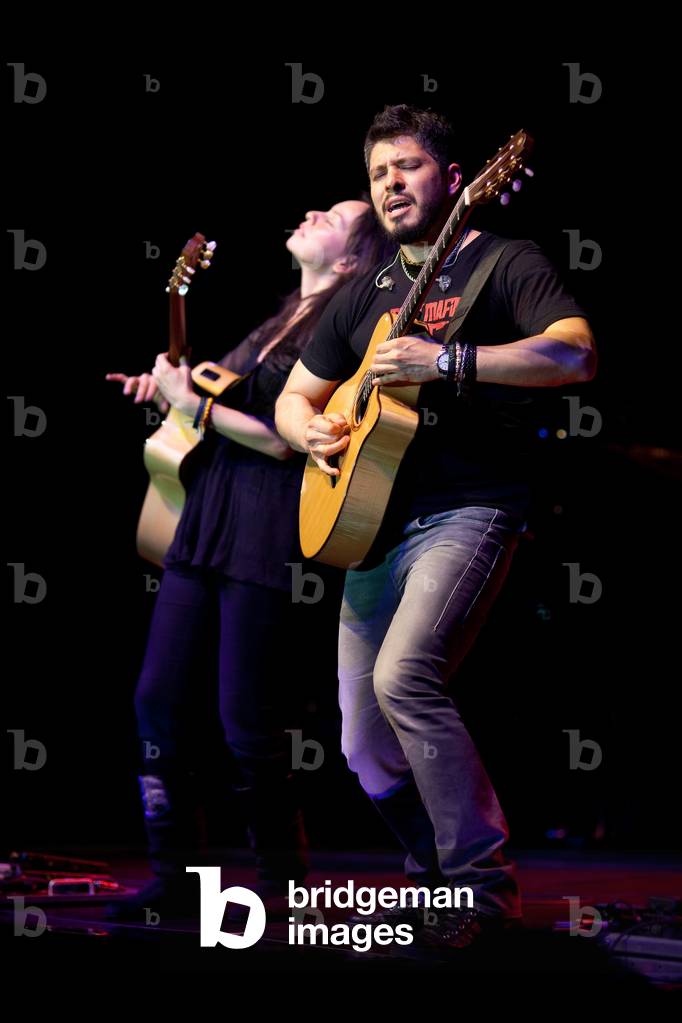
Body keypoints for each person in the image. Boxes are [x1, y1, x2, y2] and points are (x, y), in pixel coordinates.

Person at [275, 104, 597, 952]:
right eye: (378, 173)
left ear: (458, 180)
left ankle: (482, 890)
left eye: (408, 167)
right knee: (358, 740)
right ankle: (431, 872)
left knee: (405, 676)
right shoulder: (365, 292)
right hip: (370, 523)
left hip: (469, 507)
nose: (390, 184)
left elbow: (574, 353)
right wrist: (305, 427)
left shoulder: (503, 260)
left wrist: (448, 359)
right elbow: (293, 396)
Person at [105, 197, 386, 921]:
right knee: (156, 699)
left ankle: (284, 882)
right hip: (206, 521)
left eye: (331, 217)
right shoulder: (279, 317)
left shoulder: (344, 327)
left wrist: (193, 406)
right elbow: (208, 394)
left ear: (353, 259)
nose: (311, 212)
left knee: (248, 720)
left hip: (266, 527)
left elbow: (287, 438)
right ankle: (175, 874)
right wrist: (166, 392)